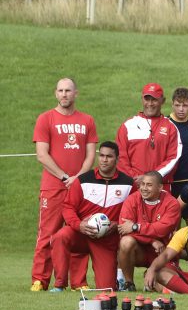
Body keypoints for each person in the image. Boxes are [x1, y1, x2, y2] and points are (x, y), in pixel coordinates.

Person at [31, 77, 97, 291]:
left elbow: (90, 156)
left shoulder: (87, 120)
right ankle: (40, 280)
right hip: (53, 186)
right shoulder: (45, 118)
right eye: (60, 90)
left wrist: (77, 178)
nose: (64, 94)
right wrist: (63, 177)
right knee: (47, 233)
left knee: (79, 232)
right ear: (55, 93)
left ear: (76, 93)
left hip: (79, 188)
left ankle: (79, 282)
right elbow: (42, 155)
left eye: (68, 90)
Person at [50, 142, 133, 292]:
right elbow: (68, 207)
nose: (104, 160)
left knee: (107, 289)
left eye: (109, 156)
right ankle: (59, 284)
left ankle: (114, 281)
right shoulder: (83, 180)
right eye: (101, 155)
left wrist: (115, 224)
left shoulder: (128, 184)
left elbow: (133, 213)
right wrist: (79, 225)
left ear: (117, 159)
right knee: (60, 236)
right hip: (80, 233)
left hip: (106, 240)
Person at [116, 171, 180, 291]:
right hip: (139, 251)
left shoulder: (172, 203)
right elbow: (123, 228)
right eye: (142, 184)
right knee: (126, 241)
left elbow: (162, 229)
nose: (144, 188)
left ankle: (151, 280)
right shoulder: (132, 199)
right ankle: (128, 283)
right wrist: (151, 240)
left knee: (171, 287)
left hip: (163, 253)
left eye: (149, 185)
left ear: (160, 187)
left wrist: (136, 227)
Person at [116, 83, 182, 188]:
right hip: (132, 186)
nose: (150, 104)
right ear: (142, 99)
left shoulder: (171, 128)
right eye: (147, 99)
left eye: (154, 100)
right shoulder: (128, 125)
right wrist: (134, 178)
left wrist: (150, 178)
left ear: (163, 101)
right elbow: (120, 156)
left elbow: (173, 158)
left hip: (160, 188)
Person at [167, 88, 188, 197]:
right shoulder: (165, 124)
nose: (181, 109)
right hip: (171, 179)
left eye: (185, 105)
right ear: (172, 104)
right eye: (177, 105)